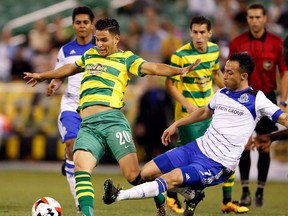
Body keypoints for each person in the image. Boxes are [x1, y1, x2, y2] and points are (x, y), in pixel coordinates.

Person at [24, 18, 201, 216]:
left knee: (134, 176)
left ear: (117, 39)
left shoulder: (127, 59)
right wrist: (43, 76)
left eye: (104, 40)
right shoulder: (89, 55)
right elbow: (69, 68)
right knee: (81, 169)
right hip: (88, 125)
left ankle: (161, 200)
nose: (99, 44)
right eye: (97, 40)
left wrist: (179, 71)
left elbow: (153, 67)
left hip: (113, 123)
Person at [102, 52, 288, 215]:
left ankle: (118, 195)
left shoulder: (257, 99)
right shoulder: (222, 93)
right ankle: (191, 194)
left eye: (230, 73)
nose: (224, 76)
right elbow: (204, 112)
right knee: (148, 172)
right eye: (225, 71)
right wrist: (176, 124)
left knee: (170, 178)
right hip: (197, 148)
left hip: (218, 162)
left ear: (243, 76)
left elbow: (284, 119)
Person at [165, 15, 246, 215]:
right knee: (190, 160)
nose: (199, 36)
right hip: (188, 116)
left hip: (210, 112)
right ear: (190, 32)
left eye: (202, 32)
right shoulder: (180, 55)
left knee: (228, 152)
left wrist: (232, 94)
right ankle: (171, 194)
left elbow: (216, 74)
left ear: (209, 33)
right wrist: (187, 104)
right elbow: (169, 84)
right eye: (195, 32)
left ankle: (227, 201)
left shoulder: (214, 50)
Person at [229, 3, 288, 207]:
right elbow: (230, 72)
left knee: (264, 144)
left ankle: (260, 192)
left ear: (265, 19)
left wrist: (283, 100)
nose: (254, 20)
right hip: (245, 99)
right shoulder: (237, 42)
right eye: (251, 17)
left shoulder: (276, 42)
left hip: (269, 97)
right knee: (244, 145)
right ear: (247, 19)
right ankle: (245, 190)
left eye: (257, 17)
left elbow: (284, 72)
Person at [45, 6, 95, 213]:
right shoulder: (65, 50)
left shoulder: (100, 48)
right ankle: (78, 202)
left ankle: (69, 165)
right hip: (71, 104)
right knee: (72, 144)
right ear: (73, 25)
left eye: (85, 22)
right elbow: (60, 73)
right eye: (78, 22)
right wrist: (55, 84)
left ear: (92, 24)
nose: (82, 26)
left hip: (94, 106)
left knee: (86, 156)